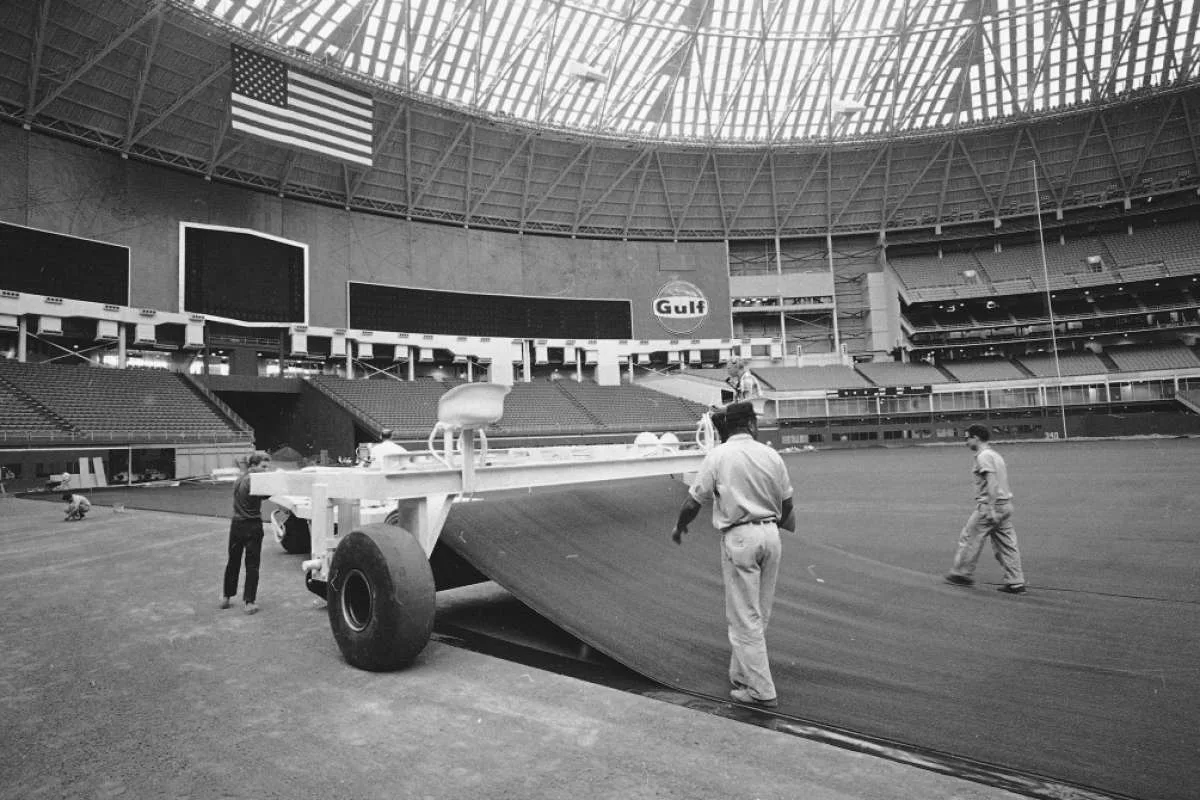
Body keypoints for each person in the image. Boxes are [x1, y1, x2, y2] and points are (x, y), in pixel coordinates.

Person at [671, 401, 794, 709]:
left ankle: (762, 691)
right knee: (759, 613)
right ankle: (741, 675)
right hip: (771, 535)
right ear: (751, 424)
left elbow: (693, 501)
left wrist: (680, 527)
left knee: (743, 617)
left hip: (740, 537)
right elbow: (788, 506)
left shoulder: (719, 455)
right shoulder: (771, 455)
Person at [945, 424, 1026, 594]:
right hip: (1005, 505)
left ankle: (961, 573)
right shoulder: (995, 455)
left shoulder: (983, 456)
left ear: (976, 437)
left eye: (967, 438)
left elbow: (992, 482)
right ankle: (1016, 582)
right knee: (1006, 545)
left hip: (991, 506)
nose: (966, 442)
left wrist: (990, 508)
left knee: (970, 538)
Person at [221, 451, 272, 614]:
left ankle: (226, 597)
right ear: (254, 465)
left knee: (233, 561)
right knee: (252, 565)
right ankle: (249, 602)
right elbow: (267, 494)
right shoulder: (254, 481)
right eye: (263, 467)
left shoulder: (239, 479)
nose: (266, 470)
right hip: (252, 525)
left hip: (236, 524)